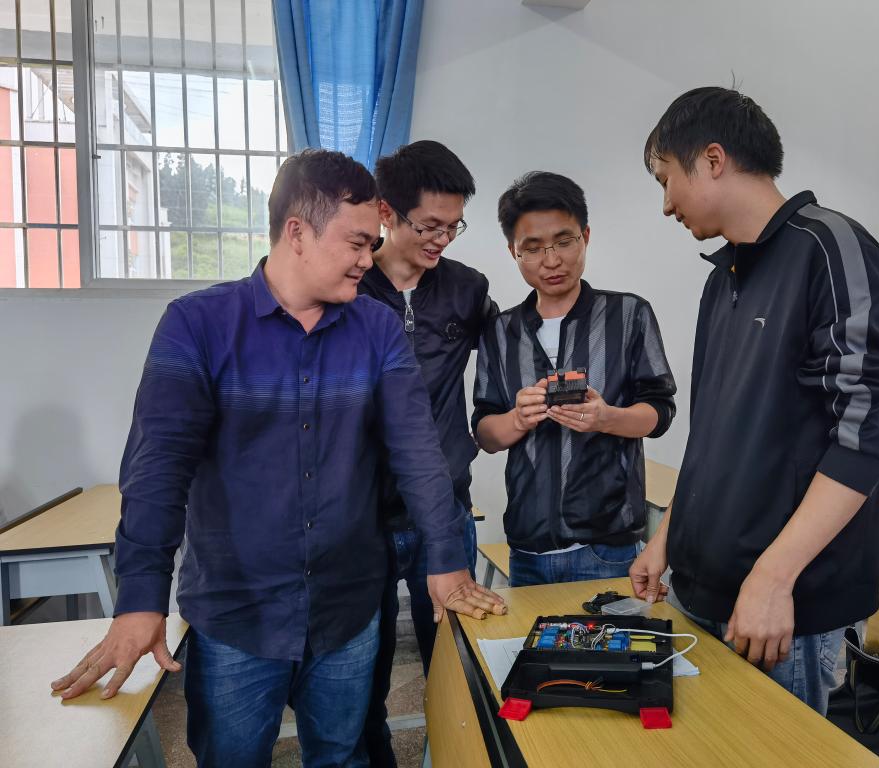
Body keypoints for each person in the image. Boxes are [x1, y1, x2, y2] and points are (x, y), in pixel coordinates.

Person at [50, 149, 505, 768]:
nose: (368, 259)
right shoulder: (199, 325)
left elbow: (418, 451)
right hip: (238, 611)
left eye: (372, 244)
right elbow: (158, 472)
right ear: (297, 231)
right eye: (356, 243)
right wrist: (140, 597)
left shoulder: (375, 329)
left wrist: (447, 561)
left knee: (343, 756)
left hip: (347, 609)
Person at [630, 87, 879, 714]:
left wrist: (774, 575)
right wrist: (669, 539)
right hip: (702, 587)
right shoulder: (723, 278)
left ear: (712, 160)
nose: (665, 204)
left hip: (782, 606)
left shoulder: (830, 248)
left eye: (666, 179)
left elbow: (865, 432)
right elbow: (712, 434)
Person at [357, 140, 496, 767]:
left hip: (444, 509)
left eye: (453, 226)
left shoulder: (466, 288)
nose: (442, 240)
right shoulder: (349, 284)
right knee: (364, 669)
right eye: (430, 226)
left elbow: (511, 346)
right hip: (362, 515)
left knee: (454, 664)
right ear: (387, 212)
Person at [473, 171, 677, 587]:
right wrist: (517, 419)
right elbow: (485, 433)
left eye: (564, 241)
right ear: (513, 252)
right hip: (527, 547)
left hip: (607, 547)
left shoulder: (628, 315)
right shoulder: (501, 331)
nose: (551, 261)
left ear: (585, 236)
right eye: (533, 248)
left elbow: (660, 412)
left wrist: (607, 418)